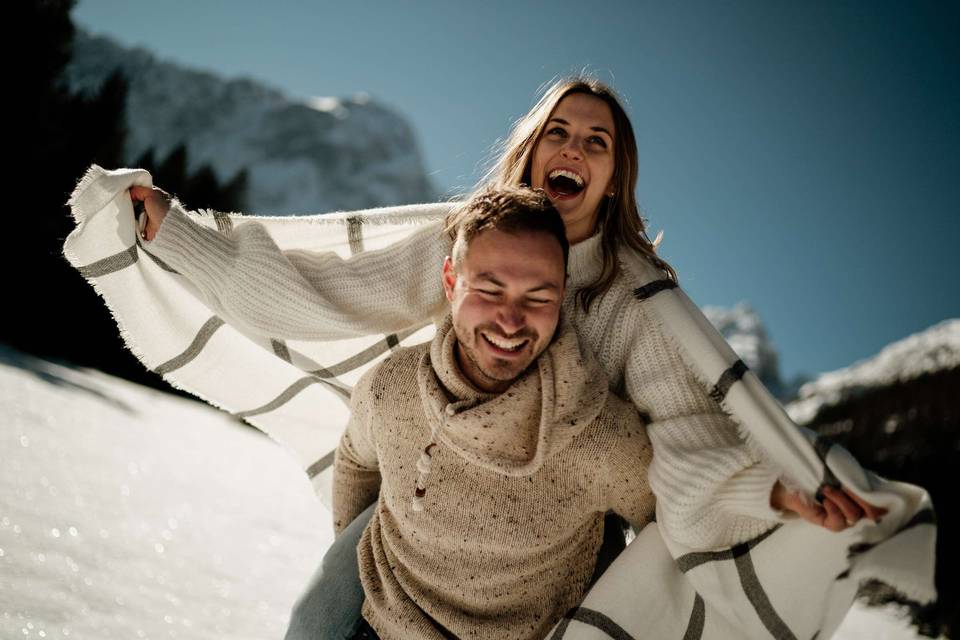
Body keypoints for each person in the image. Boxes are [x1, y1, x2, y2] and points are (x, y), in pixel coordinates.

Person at [130, 75, 884, 639]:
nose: (574, 149)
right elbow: (331, 293)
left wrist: (767, 491)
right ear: (530, 149)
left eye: (598, 142)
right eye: (559, 131)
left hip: (558, 535)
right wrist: (184, 239)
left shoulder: (636, 302)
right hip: (433, 503)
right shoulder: (460, 240)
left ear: (615, 177)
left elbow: (677, 449)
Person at [332, 185, 664, 639]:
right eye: (489, 290)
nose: (511, 321)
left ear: (562, 294)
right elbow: (354, 459)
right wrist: (344, 566)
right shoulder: (391, 388)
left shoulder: (602, 438)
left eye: (537, 297)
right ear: (451, 282)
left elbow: (673, 531)